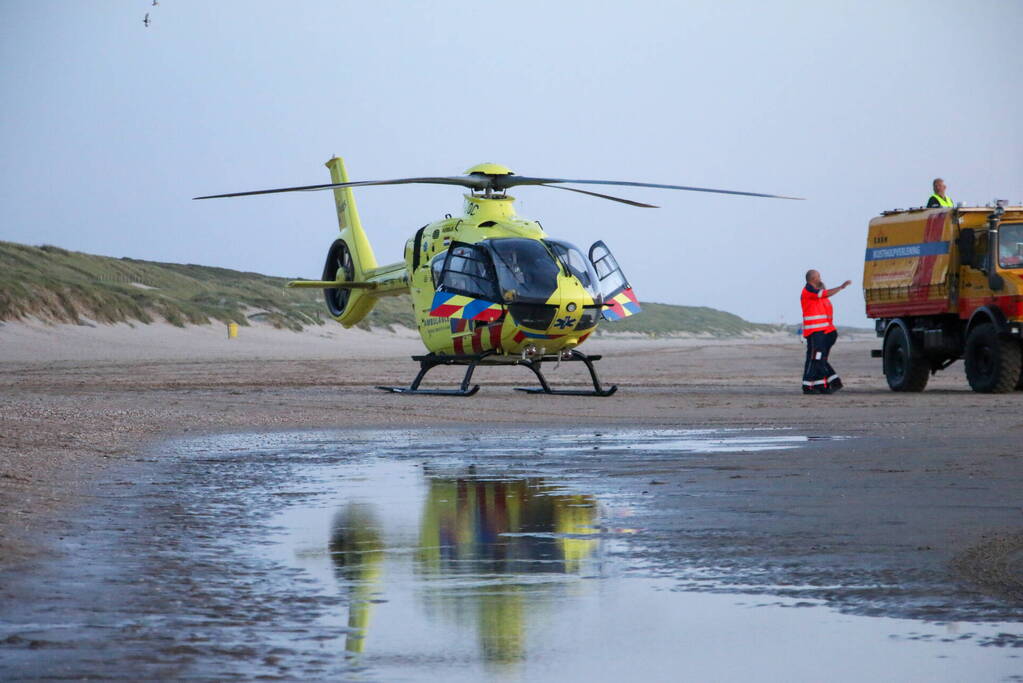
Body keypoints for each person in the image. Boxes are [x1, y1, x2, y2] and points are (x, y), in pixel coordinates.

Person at [801, 270, 852, 394]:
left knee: (817, 358)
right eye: (818, 276)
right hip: (816, 331)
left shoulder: (822, 300)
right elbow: (822, 295)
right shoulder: (810, 291)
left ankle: (820, 384)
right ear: (813, 278)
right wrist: (840, 287)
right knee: (817, 358)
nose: (820, 278)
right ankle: (818, 384)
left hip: (823, 332)